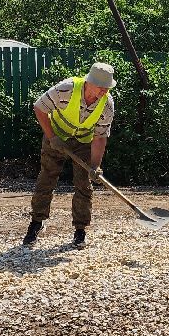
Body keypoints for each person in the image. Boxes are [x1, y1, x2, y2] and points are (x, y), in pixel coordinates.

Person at [22, 62, 116, 249]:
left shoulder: (107, 105)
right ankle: (36, 223)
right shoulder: (66, 89)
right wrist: (52, 137)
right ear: (89, 82)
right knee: (46, 179)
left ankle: (80, 231)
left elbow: (99, 137)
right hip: (55, 135)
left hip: (83, 142)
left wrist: (95, 166)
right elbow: (39, 108)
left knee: (83, 184)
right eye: (100, 88)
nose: (103, 93)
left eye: (106, 89)